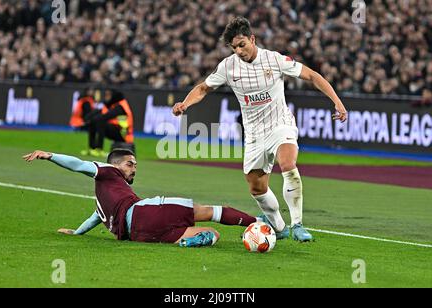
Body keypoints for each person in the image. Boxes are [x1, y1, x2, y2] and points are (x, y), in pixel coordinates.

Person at [172, 17, 348, 242]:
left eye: (242, 44)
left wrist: (337, 102)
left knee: (287, 163)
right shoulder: (228, 66)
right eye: (234, 47)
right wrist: (185, 104)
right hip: (254, 134)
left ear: (252, 39)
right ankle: (279, 226)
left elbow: (312, 76)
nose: (238, 50)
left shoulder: (274, 60)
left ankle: (298, 225)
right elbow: (204, 88)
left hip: (280, 124)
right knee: (256, 187)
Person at [22, 149, 259, 247]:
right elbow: (79, 164)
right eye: (130, 164)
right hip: (143, 211)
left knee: (212, 235)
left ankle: (193, 241)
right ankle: (257, 223)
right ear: (114, 164)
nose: (134, 168)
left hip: (138, 235)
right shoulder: (107, 171)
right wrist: (50, 155)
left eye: (135, 165)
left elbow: (94, 218)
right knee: (211, 211)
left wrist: (76, 233)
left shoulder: (104, 198)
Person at [81, 89, 134, 157]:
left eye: (108, 95)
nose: (106, 97)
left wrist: (90, 121)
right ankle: (92, 149)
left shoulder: (120, 106)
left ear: (113, 96)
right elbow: (99, 112)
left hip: (124, 135)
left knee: (100, 122)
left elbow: (106, 116)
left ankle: (99, 149)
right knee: (94, 122)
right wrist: (88, 119)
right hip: (117, 130)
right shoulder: (112, 104)